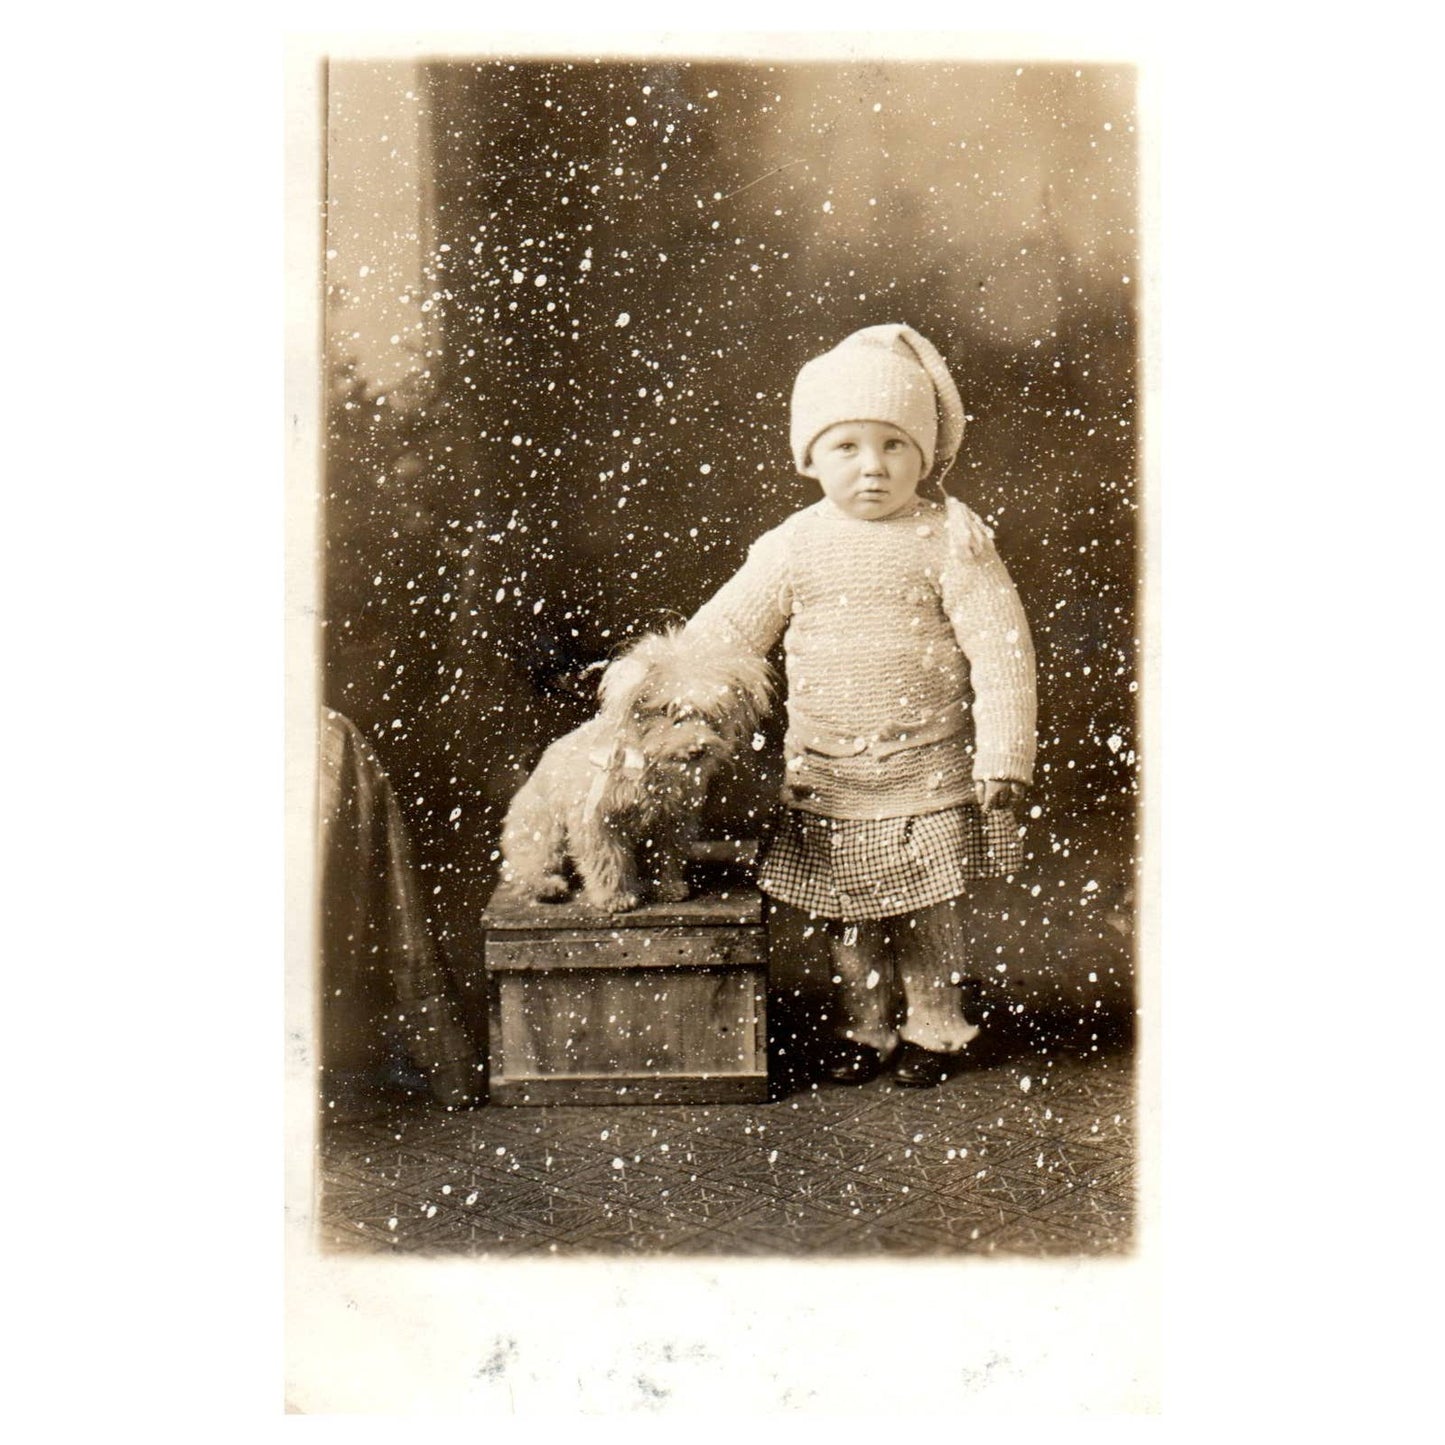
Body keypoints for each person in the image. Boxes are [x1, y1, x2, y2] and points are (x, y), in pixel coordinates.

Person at [685, 324, 1037, 1088]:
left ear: (925, 455)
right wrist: (665, 691)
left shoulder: (951, 539)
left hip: (926, 765)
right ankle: (865, 1024)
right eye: (846, 446)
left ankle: (937, 1026)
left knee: (926, 913)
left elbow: (1002, 650)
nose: (873, 468)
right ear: (809, 456)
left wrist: (1004, 754)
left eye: (894, 446)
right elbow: (724, 634)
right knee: (846, 915)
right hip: (829, 769)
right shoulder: (791, 544)